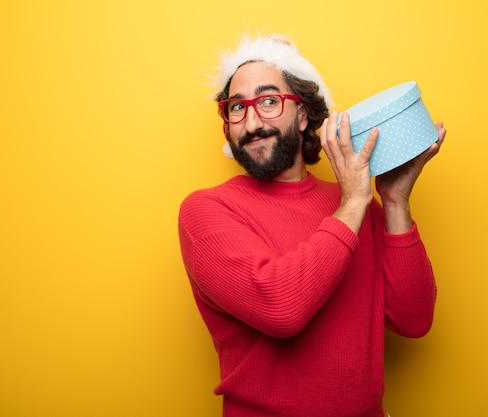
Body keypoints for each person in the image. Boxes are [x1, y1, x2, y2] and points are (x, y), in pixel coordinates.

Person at [178, 33, 447, 417]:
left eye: (269, 101)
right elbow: (281, 309)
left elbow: (414, 320)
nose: (251, 122)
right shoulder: (207, 211)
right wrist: (354, 200)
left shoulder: (355, 207)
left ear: (303, 114)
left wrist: (394, 202)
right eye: (237, 108)